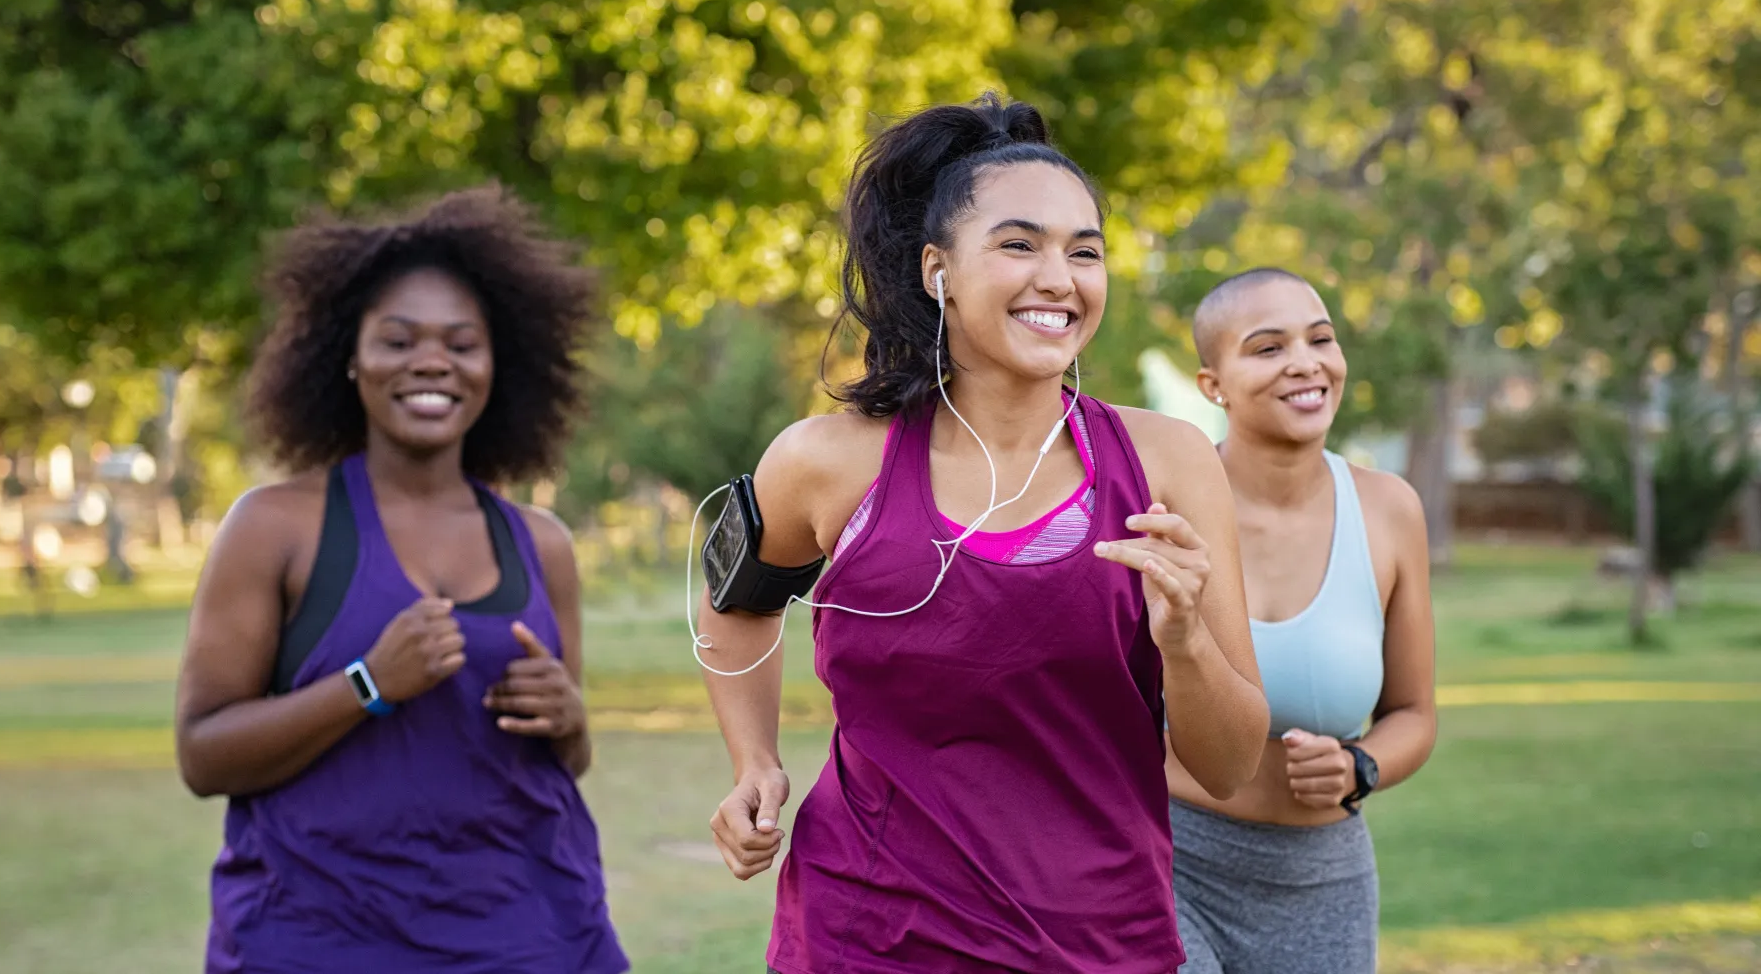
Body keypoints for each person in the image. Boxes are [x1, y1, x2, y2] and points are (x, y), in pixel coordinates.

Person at [695, 94, 1270, 974]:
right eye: (1019, 244)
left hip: (1097, 941)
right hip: (866, 936)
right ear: (938, 271)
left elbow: (1228, 768)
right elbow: (735, 599)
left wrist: (1186, 643)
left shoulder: (1169, 465)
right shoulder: (826, 463)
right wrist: (752, 761)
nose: (1060, 277)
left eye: (1086, 251)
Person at [172, 185, 627, 974]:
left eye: (461, 343)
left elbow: (569, 759)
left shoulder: (540, 544)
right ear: (347, 357)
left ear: (496, 365)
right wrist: (368, 683)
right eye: (398, 339)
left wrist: (570, 718)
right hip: (317, 941)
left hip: (534, 937)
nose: (431, 362)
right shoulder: (274, 528)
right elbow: (204, 756)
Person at [1169, 267, 1438, 974]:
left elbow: (1414, 712)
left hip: (1324, 880)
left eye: (1321, 339)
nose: (1305, 362)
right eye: (1267, 348)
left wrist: (1361, 765)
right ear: (1213, 385)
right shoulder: (1167, 510)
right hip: (1168, 863)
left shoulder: (1390, 509)